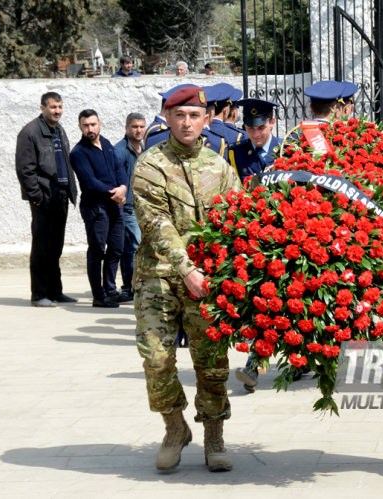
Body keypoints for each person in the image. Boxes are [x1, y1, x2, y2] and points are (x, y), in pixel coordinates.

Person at [132, 86, 241, 472]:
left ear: (207, 119)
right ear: (167, 117)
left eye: (194, 115)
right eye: (179, 115)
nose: (187, 122)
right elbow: (155, 222)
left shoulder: (221, 168)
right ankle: (175, 428)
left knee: (211, 363)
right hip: (158, 275)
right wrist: (186, 268)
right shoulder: (149, 164)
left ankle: (214, 435)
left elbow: (236, 222)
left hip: (208, 280)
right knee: (156, 358)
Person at [15, 92, 78, 307]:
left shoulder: (59, 129)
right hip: (44, 197)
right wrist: (37, 197)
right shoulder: (30, 132)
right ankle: (39, 294)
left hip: (60, 194)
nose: (57, 111)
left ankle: (55, 291)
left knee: (56, 246)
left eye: (60, 107)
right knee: (42, 247)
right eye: (53, 107)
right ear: (42, 108)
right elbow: (25, 170)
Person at [70, 110, 129, 308]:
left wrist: (124, 187)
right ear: (80, 127)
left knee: (117, 249)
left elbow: (119, 168)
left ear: (100, 124)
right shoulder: (78, 153)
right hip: (96, 208)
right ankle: (99, 295)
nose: (90, 129)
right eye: (85, 125)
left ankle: (111, 291)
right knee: (97, 252)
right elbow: (90, 183)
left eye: (93, 124)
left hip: (115, 207)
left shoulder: (106, 143)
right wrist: (117, 193)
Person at [144, 84, 226, 157]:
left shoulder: (220, 165)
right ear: (168, 119)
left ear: (205, 121)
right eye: (180, 115)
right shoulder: (148, 160)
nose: (187, 124)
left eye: (194, 115)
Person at [114, 112, 146, 298]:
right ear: (127, 128)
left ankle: (135, 286)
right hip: (128, 207)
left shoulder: (142, 149)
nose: (139, 130)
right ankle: (129, 288)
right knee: (132, 247)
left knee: (138, 247)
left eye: (141, 126)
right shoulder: (120, 151)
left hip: (142, 207)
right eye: (135, 127)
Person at [226, 98, 282, 182]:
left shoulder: (284, 149)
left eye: (261, 128)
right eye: (250, 128)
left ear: (272, 122)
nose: (256, 134)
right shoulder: (236, 153)